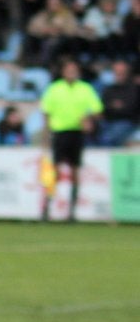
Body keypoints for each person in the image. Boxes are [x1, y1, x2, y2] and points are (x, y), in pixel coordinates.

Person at [38, 58, 100, 220]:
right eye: (69, 70)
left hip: (77, 133)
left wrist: (88, 118)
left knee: (74, 171)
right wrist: (46, 132)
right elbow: (46, 111)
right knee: (55, 171)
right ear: (63, 72)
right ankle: (47, 207)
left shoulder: (85, 89)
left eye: (74, 70)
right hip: (59, 132)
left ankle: (72, 212)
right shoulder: (55, 89)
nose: (72, 73)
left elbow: (97, 110)